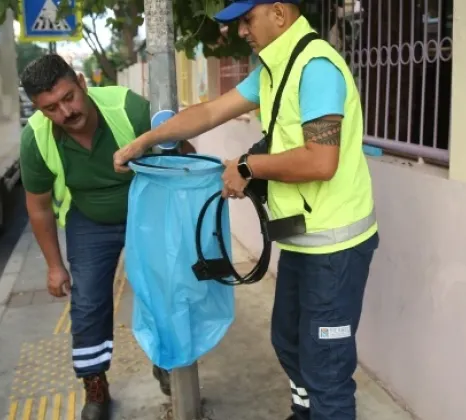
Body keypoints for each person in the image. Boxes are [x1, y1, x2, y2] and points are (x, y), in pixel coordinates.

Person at [113, 1, 379, 419]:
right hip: (303, 241)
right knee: (289, 343)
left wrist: (246, 166)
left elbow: (320, 162)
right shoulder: (277, 68)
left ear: (278, 13)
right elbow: (211, 112)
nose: (240, 31)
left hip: (336, 247)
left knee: (326, 367)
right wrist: (144, 140)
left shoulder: (316, 69)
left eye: (246, 19)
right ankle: (304, 411)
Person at [19, 54, 191, 420]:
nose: (65, 112)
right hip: (89, 220)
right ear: (38, 109)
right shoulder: (35, 137)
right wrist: (54, 266)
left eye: (69, 97)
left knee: (162, 288)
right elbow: (38, 206)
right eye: (50, 108)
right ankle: (94, 385)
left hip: (146, 210)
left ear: (81, 83)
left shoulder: (126, 108)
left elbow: (181, 156)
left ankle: (165, 361)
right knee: (88, 302)